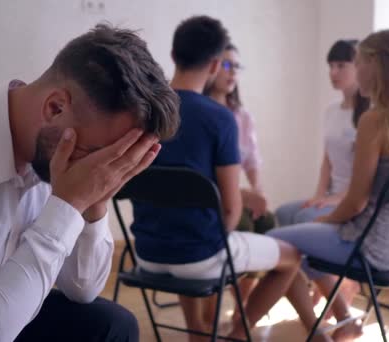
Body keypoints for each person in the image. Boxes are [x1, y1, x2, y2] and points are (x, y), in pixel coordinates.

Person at [0, 24, 180, 342]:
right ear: (55, 108)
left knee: (111, 324)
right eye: (98, 155)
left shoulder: (52, 145)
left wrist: (95, 204)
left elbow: (82, 288)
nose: (100, 169)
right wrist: (69, 202)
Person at [129, 16, 301, 342]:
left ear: (174, 54)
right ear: (213, 65)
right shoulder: (219, 118)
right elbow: (232, 213)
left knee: (188, 238)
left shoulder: (144, 113)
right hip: (200, 257)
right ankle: (237, 333)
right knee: (292, 257)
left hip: (146, 254)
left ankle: (198, 331)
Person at [267, 29, 389, 341]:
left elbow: (356, 203)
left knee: (275, 243)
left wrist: (324, 220)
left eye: (357, 61)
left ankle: (308, 330)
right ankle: (338, 320)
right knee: (295, 234)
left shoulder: (374, 120)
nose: (354, 68)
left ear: (372, 65)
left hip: (367, 245)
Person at [276, 39, 369, 313]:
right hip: (331, 195)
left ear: (359, 67)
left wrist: (336, 198)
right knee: (285, 212)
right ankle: (327, 283)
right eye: (331, 66)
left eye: (341, 65)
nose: (333, 72)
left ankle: (340, 286)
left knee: (305, 219)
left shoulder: (369, 116)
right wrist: (319, 195)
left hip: (353, 199)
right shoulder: (331, 112)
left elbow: (368, 175)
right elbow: (327, 160)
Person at [203, 43, 276, 311]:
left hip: (234, 195)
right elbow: (204, 173)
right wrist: (244, 196)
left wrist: (258, 191)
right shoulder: (201, 112)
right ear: (210, 67)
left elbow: (252, 159)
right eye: (225, 65)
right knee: (243, 223)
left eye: (236, 66)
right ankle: (223, 302)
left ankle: (243, 303)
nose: (232, 72)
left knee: (268, 222)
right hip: (210, 198)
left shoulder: (241, 116)